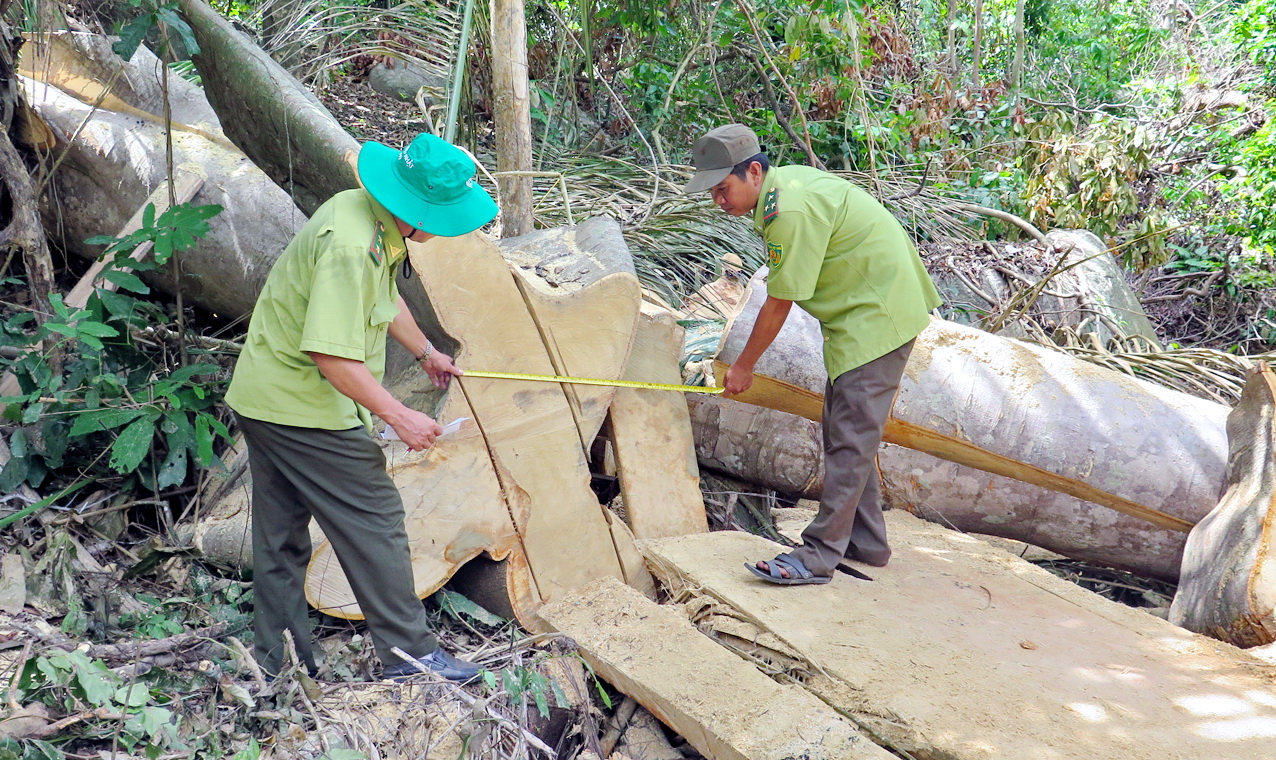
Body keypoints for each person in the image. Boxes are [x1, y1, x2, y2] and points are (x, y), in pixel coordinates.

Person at [225, 133, 498, 680]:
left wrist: (425, 352)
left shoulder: (364, 214)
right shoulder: (353, 245)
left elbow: (383, 296)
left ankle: (274, 659)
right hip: (303, 406)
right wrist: (400, 415)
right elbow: (331, 356)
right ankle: (410, 654)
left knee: (279, 535)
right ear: (417, 210)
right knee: (376, 519)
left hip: (265, 395)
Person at [684, 124, 942, 585]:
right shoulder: (787, 189)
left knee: (850, 436)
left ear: (755, 172)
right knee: (843, 430)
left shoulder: (789, 210)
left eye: (723, 189)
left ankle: (818, 555)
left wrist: (743, 367)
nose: (718, 202)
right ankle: (866, 541)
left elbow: (779, 302)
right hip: (862, 315)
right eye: (713, 193)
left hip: (877, 316)